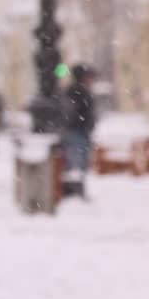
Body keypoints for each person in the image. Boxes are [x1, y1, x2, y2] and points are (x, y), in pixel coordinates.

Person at [62, 64, 96, 199]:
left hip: (77, 131)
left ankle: (75, 191)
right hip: (77, 132)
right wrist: (85, 123)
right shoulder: (80, 91)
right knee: (77, 163)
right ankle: (75, 193)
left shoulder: (72, 90)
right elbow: (77, 112)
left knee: (75, 163)